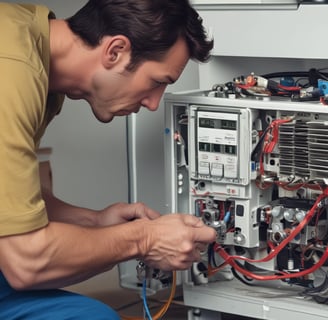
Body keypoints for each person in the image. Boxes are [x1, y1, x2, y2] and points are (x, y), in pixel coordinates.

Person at [0, 0, 216, 318]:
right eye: (157, 81)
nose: (154, 104)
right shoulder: (12, 72)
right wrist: (144, 239)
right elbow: (26, 262)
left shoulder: (35, 54)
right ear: (115, 51)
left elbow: (11, 208)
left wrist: (95, 221)